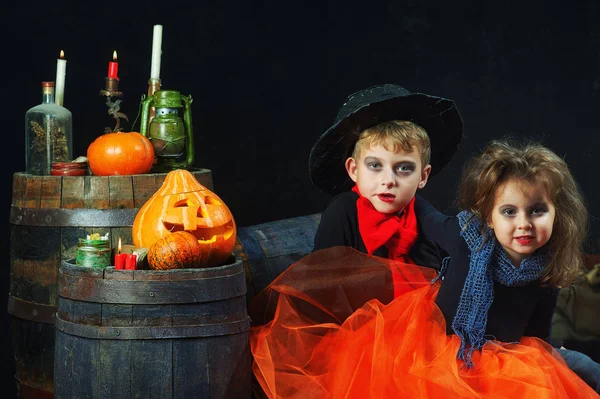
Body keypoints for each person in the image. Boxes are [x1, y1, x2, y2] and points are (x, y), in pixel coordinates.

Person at [249, 135, 599, 397]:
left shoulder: (546, 271)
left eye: (537, 210)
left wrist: (549, 361)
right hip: (434, 347)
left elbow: (538, 336)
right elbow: (420, 211)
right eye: (509, 211)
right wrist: (390, 188)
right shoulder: (465, 237)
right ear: (488, 218)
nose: (523, 223)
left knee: (571, 372)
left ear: (558, 215)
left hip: (504, 358)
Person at [309, 83, 463, 269]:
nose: (388, 181)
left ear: (423, 176)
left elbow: (454, 252)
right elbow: (322, 284)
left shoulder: (422, 213)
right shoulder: (343, 211)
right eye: (375, 165)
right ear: (354, 170)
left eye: (404, 168)